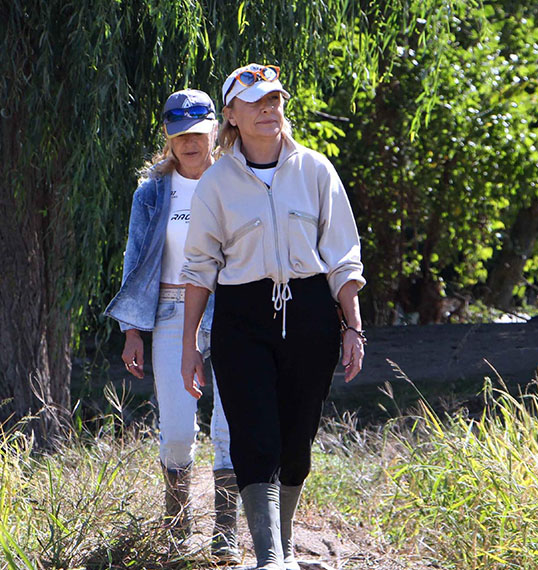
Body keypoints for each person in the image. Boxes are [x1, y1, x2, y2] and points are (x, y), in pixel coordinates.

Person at [179, 63, 366, 570]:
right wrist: (190, 343)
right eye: (257, 102)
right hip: (242, 317)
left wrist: (352, 325)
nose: (269, 109)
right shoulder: (216, 182)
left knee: (296, 435)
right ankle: (269, 558)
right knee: (253, 432)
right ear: (232, 116)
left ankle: (281, 543)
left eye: (276, 100)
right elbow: (200, 267)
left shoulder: (316, 170)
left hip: (309, 315)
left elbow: (343, 255)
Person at [102, 89, 240, 560]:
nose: (189, 142)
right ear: (168, 136)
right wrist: (131, 331)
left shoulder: (232, 180)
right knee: (178, 429)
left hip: (229, 311)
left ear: (213, 133)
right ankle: (176, 525)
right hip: (169, 309)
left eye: (198, 133)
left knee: (229, 424)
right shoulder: (152, 192)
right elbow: (135, 260)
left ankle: (225, 532)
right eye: (179, 134)